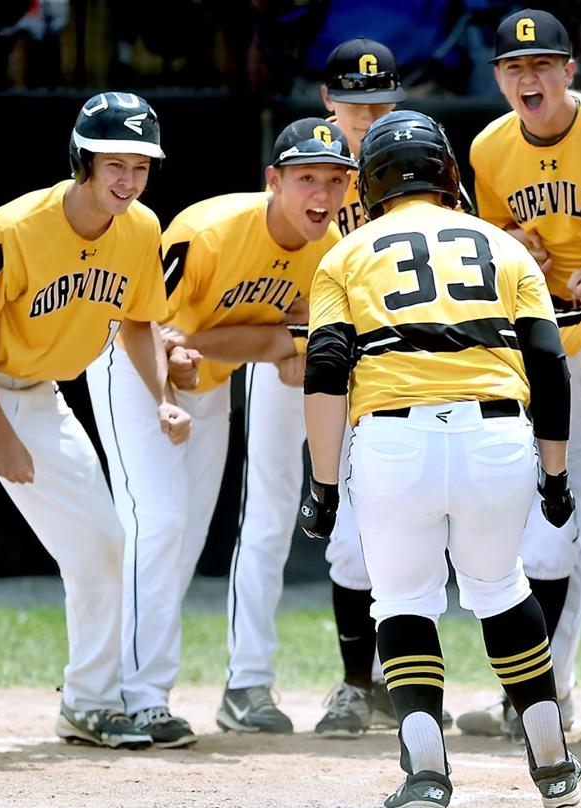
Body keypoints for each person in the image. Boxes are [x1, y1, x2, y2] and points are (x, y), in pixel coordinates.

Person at [299, 109, 581, 808]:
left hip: (395, 443)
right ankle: (551, 759)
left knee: (402, 601)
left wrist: (323, 485)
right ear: (450, 176)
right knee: (500, 587)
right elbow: (548, 364)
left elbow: (327, 370)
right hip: (497, 437)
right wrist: (556, 471)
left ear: (370, 185)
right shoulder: (504, 247)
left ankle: (426, 771)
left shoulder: (345, 254)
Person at [0, 91, 183, 750]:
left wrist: (163, 393)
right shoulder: (17, 226)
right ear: (83, 160)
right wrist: (0, 437)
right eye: (115, 163)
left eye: (140, 166)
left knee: (102, 543)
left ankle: (88, 703)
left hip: (36, 391)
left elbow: (139, 322)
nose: (129, 180)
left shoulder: (141, 229)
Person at [85, 118, 353, 747]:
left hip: (207, 381)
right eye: (306, 178)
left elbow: (286, 347)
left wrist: (219, 343)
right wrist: (190, 365)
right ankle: (137, 696)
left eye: (334, 180)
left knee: (182, 535)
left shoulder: (332, 249)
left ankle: (127, 689)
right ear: (274, 181)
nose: (321, 193)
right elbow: (147, 323)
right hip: (134, 364)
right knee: (159, 521)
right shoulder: (209, 230)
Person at [465, 6, 581, 744]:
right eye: (514, 67)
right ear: (498, 79)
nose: (528, 77)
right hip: (546, 350)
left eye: (542, 64)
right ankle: (547, 694)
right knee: (553, 521)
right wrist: (515, 247)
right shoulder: (488, 148)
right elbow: (489, 239)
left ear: (570, 71)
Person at [223, 38, 412, 738]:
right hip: (286, 364)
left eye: (380, 99)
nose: (367, 113)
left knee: (373, 522)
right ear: (329, 101)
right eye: (354, 101)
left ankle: (375, 681)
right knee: (269, 515)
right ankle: (247, 682)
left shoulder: (409, 165)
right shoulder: (310, 167)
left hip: (371, 368)